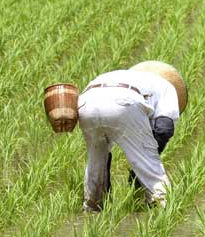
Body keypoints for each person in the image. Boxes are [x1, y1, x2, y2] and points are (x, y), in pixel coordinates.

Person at [77, 69, 180, 212]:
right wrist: (138, 169)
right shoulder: (167, 86)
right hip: (123, 103)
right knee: (147, 163)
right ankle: (164, 206)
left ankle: (93, 209)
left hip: (85, 105)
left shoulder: (121, 76)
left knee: (96, 160)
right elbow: (164, 127)